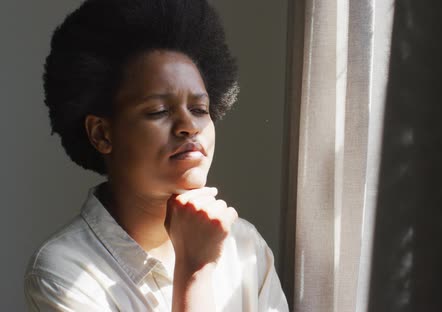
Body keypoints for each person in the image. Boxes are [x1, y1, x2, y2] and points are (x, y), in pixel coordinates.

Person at [23, 0, 289, 311]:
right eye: (159, 111)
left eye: (200, 109)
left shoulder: (244, 246)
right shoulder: (62, 273)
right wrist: (195, 272)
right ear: (101, 134)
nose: (189, 126)